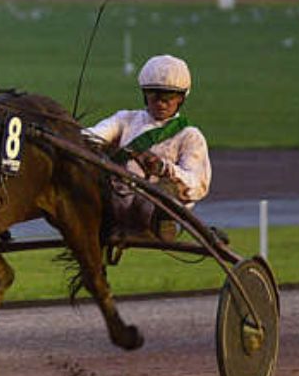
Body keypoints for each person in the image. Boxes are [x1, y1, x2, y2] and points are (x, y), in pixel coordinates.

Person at [85, 54, 211, 242]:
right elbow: (94, 134)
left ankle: (157, 225)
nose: (161, 103)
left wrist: (163, 168)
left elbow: (197, 184)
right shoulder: (125, 120)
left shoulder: (190, 136)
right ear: (145, 95)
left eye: (168, 97)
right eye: (154, 95)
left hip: (157, 209)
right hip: (118, 201)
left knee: (164, 189)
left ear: (181, 99)